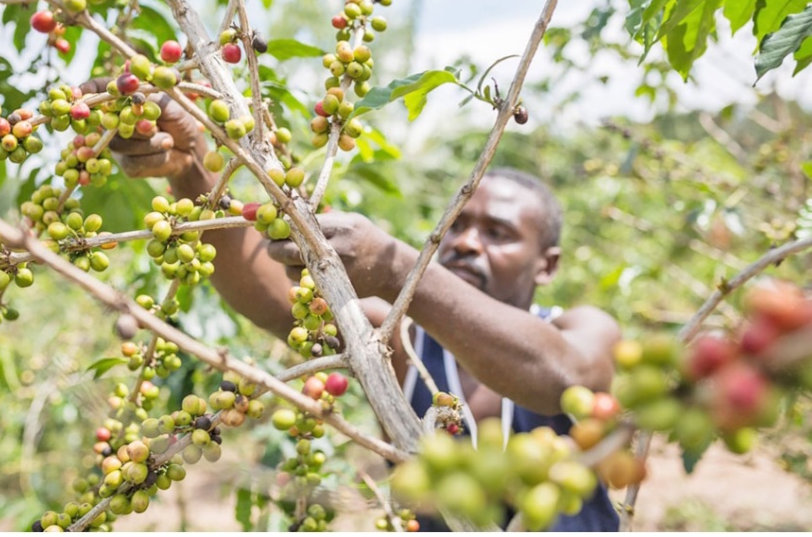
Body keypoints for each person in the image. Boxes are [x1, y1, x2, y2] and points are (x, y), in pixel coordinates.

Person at [87, 82, 622, 530]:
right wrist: (190, 168)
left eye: (498, 233)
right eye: (457, 224)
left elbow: (563, 376)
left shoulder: (585, 329)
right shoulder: (399, 339)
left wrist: (396, 268)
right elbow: (274, 300)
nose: (465, 243)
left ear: (547, 265)